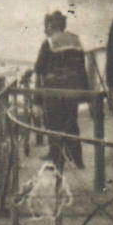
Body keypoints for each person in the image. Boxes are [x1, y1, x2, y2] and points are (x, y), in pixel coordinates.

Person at [33, 11, 88, 170]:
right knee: (71, 122)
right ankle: (77, 158)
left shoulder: (49, 43)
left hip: (54, 89)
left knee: (54, 123)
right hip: (72, 89)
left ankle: (56, 158)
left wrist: (37, 98)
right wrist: (84, 93)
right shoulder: (75, 40)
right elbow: (81, 67)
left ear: (51, 25)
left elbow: (39, 68)